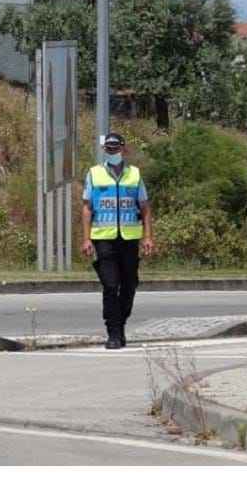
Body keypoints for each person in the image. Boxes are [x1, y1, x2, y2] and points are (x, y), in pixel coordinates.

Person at [82, 132, 155, 349]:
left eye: (116, 148)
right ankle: (113, 333)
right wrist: (86, 238)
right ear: (105, 150)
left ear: (123, 148)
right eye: (109, 149)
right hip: (103, 239)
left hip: (129, 239)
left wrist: (148, 236)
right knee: (110, 285)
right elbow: (87, 207)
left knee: (130, 284)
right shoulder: (94, 174)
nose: (112, 152)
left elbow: (144, 207)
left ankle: (121, 323)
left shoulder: (134, 174)